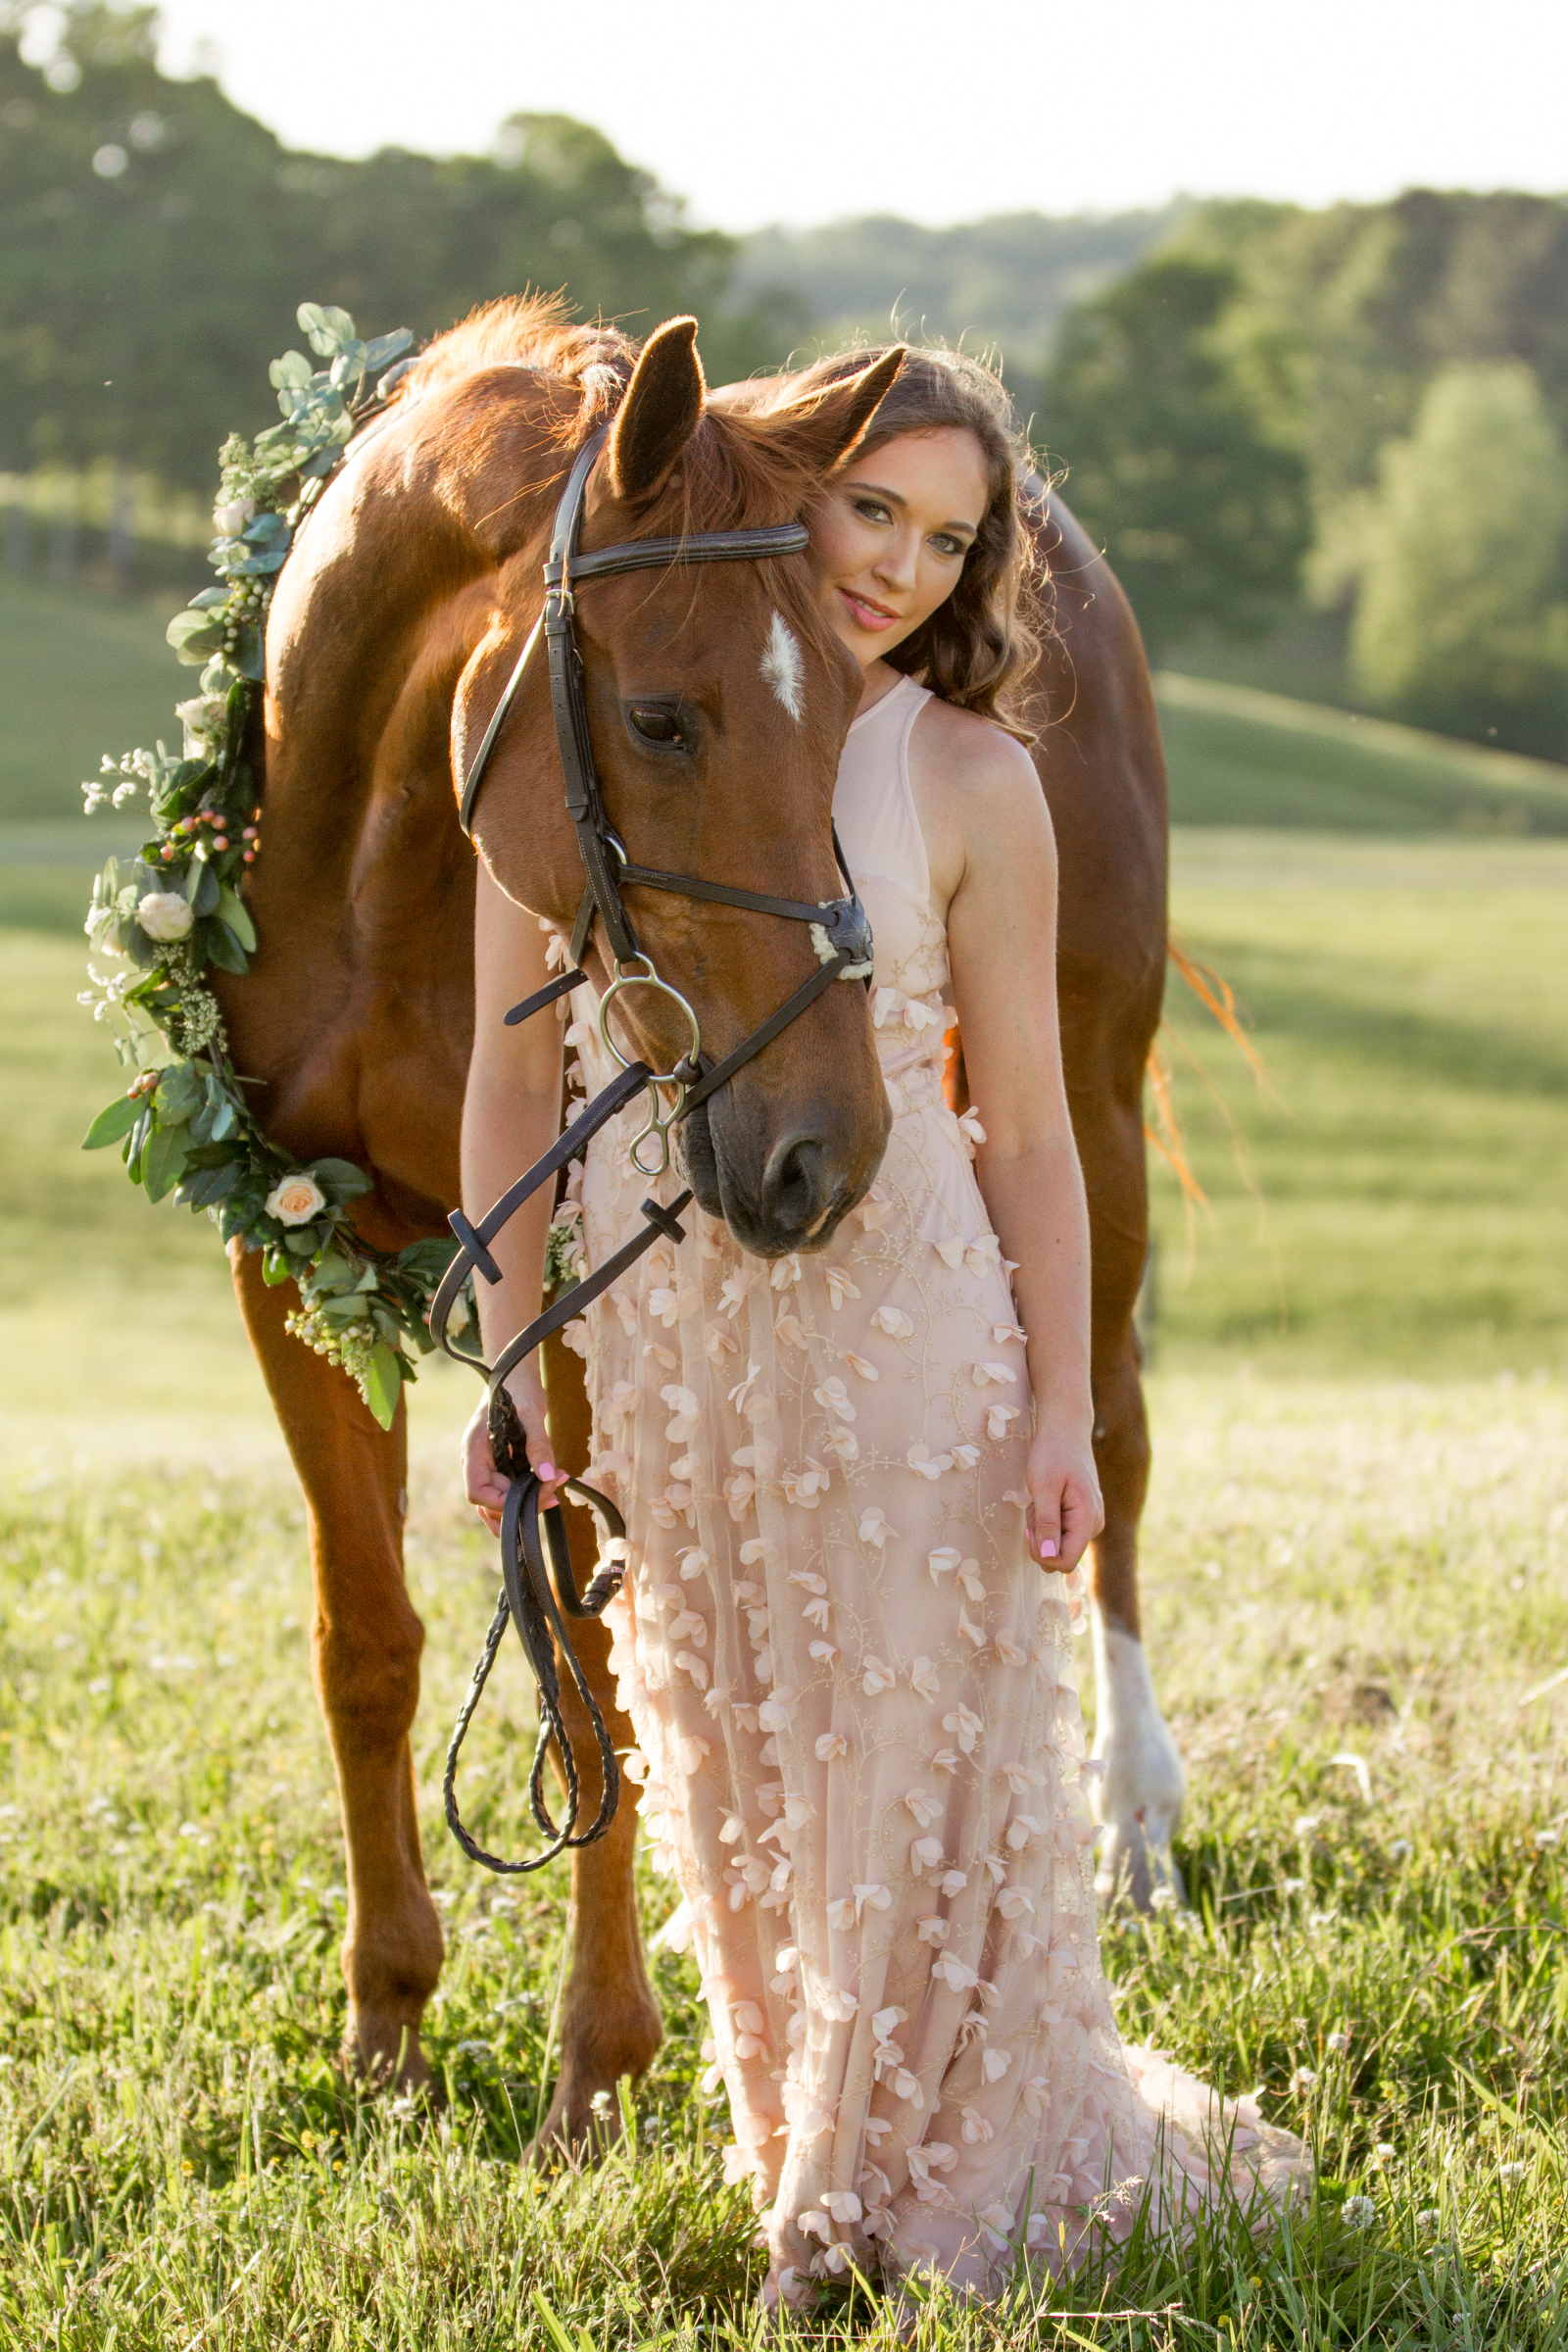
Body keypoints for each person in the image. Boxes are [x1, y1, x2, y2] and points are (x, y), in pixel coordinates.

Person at [462, 347, 1306, 2302]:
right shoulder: (600, 719)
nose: (902, 569)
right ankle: (802, 2134)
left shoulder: (969, 777)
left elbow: (1031, 1124)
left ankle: (843, 2217)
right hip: (682, 1351)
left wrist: (1060, 1413)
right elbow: (504, 1090)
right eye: (872, 511)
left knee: (909, 1761)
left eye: (948, 539)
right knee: (743, 1758)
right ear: (782, 489)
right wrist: (519, 1369)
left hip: (907, 1318)